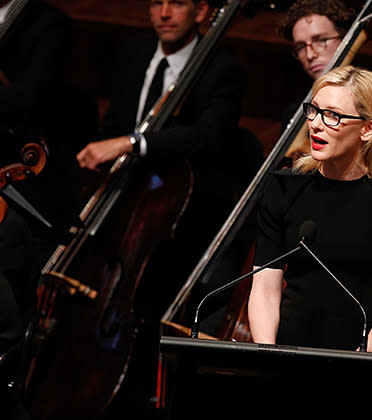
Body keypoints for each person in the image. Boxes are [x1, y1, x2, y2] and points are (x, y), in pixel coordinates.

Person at [73, 0, 260, 416]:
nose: (164, 12)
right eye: (156, 2)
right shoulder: (134, 53)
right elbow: (117, 123)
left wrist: (133, 143)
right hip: (125, 199)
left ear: (201, 11)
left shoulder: (221, 68)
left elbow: (209, 139)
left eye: (177, 2)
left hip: (180, 211)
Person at [247, 65, 372, 418]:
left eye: (332, 116)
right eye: (313, 110)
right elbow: (265, 288)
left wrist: (358, 362)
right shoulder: (283, 190)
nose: (315, 124)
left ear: (369, 128)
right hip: (289, 364)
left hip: (364, 370)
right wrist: (268, 358)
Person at [276, 0, 372, 182]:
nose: (310, 54)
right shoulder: (293, 114)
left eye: (321, 40)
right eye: (300, 46)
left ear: (345, 39)